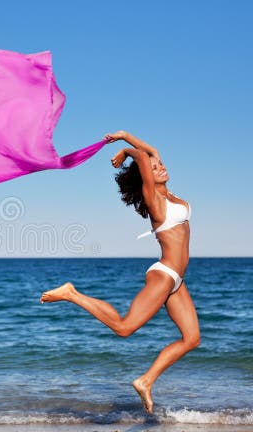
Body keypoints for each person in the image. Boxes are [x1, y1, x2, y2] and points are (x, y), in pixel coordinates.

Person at [39, 130, 200, 414]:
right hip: (164, 274)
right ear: (145, 178)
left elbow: (150, 150)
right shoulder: (154, 199)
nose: (160, 165)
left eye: (159, 164)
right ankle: (71, 293)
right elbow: (142, 156)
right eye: (154, 167)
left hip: (177, 279)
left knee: (192, 339)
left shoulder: (169, 193)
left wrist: (125, 136)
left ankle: (146, 381)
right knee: (124, 328)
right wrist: (128, 152)